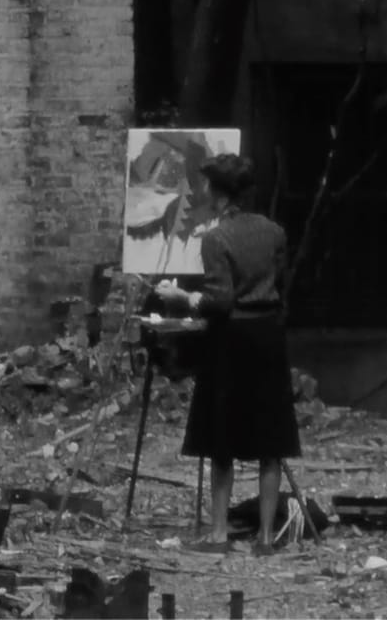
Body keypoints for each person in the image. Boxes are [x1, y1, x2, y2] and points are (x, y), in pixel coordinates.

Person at [154, 154, 303, 556]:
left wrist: (182, 296)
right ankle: (266, 537)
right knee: (270, 439)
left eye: (205, 186)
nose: (201, 192)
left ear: (218, 193)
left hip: (232, 339)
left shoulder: (216, 239)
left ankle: (220, 534)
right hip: (269, 336)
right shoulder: (274, 231)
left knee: (224, 436)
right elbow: (281, 287)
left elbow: (219, 301)